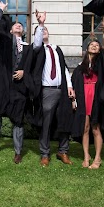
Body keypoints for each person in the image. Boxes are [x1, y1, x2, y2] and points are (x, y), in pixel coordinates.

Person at [0, 0, 34, 164]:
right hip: (3, 84)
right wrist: (0, 10)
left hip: (19, 88)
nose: (18, 25)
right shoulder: (4, 43)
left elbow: (33, 66)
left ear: (24, 31)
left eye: (21, 25)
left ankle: (18, 151)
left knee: (18, 119)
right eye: (15, 25)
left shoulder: (28, 48)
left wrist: (24, 72)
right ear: (10, 30)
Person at [32, 11, 75, 167]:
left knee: (64, 120)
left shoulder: (57, 49)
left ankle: (63, 151)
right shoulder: (37, 49)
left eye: (45, 30)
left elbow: (64, 69)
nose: (44, 32)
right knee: (46, 123)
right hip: (47, 91)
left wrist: (70, 86)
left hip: (62, 89)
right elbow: (37, 43)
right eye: (40, 31)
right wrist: (40, 23)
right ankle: (45, 153)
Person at [71, 21, 104, 169]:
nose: (95, 46)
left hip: (96, 97)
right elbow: (74, 82)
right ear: (87, 48)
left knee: (96, 128)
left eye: (97, 45)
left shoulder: (101, 62)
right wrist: (73, 96)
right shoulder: (81, 67)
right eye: (92, 45)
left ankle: (98, 158)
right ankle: (86, 156)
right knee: (85, 127)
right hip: (83, 97)